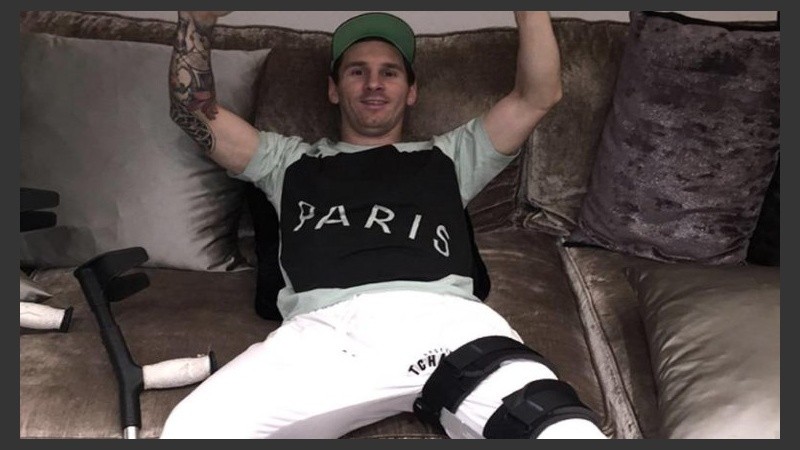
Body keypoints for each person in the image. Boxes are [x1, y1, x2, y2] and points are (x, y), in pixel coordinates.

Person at [161, 11, 607, 439]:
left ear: (411, 92)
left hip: (449, 325)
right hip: (326, 334)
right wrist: (197, 21)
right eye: (357, 71)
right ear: (334, 89)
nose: (373, 83)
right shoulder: (285, 161)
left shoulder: (451, 157)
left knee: (565, 432)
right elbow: (193, 113)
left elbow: (537, 96)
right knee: (193, 427)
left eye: (389, 72)